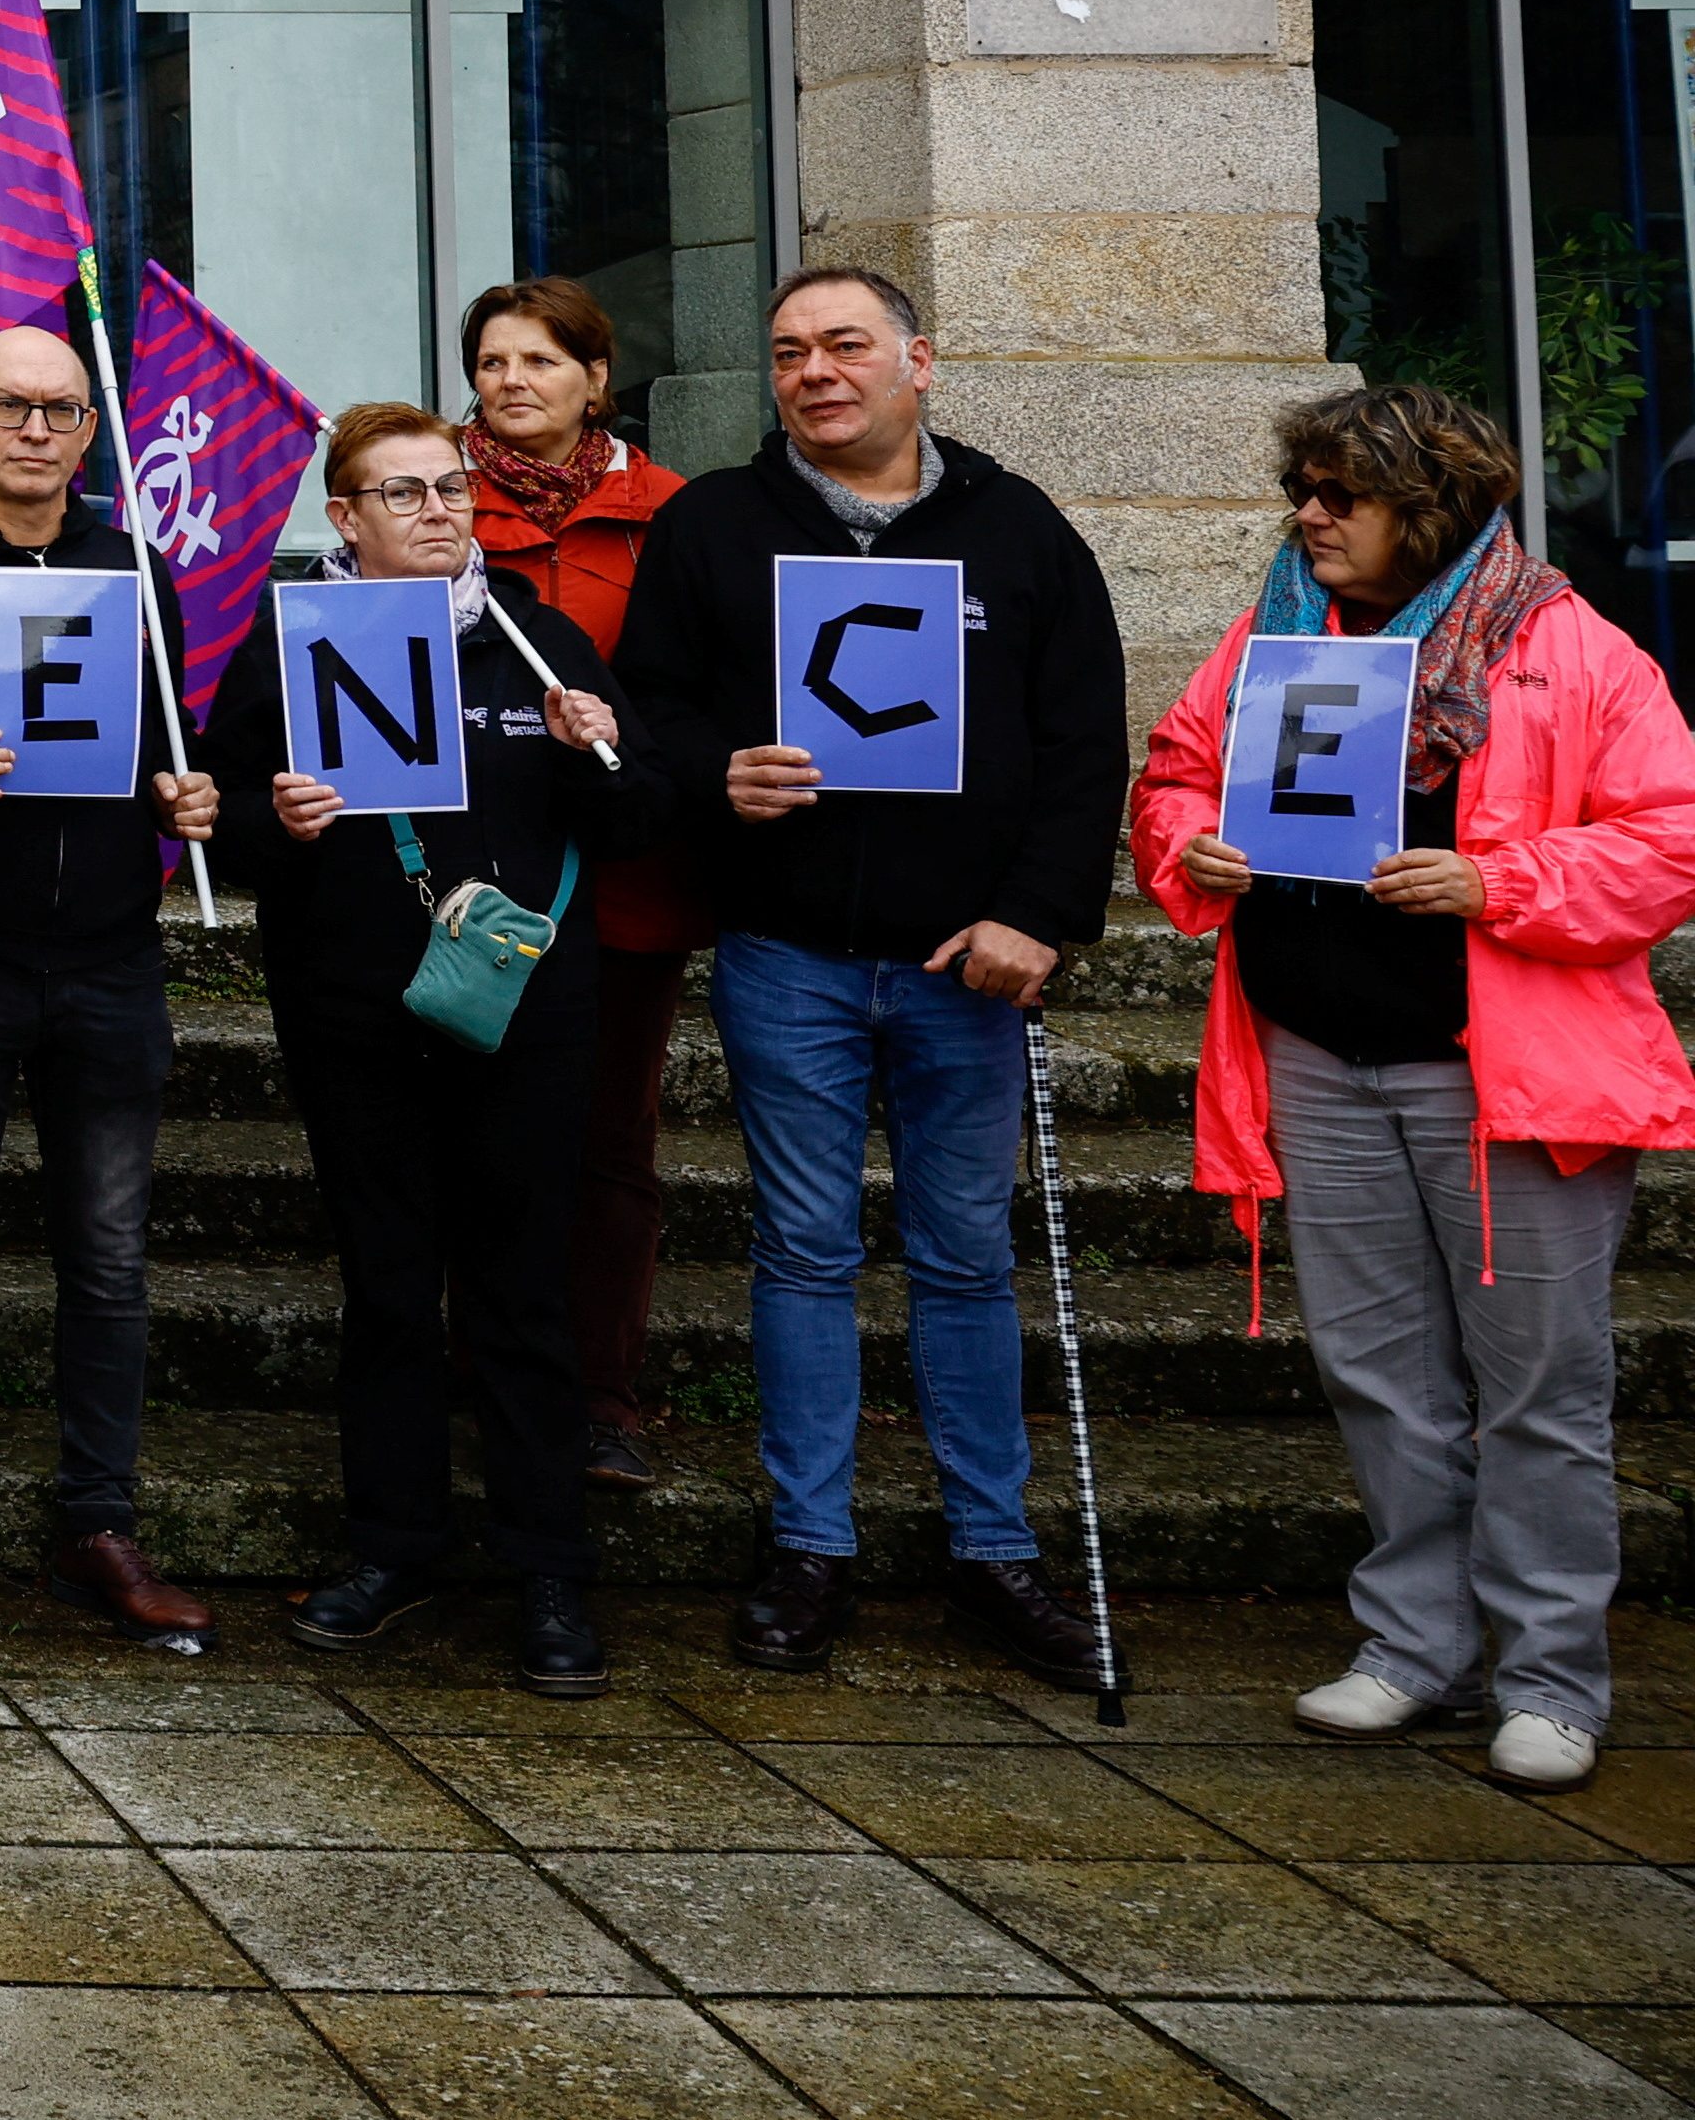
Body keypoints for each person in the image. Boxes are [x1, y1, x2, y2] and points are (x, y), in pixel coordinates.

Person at [1130, 385, 1695, 1791]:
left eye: (1341, 493)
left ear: (1426, 506)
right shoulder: (1274, 636)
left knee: (1538, 1391)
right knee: (1381, 1377)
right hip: (1317, 1058)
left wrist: (1500, 881)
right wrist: (1194, 844)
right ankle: (1413, 1648)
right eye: (1304, 490)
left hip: (1501, 1077)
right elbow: (1177, 774)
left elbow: (1670, 835)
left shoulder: (1571, 645)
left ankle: (1553, 1677)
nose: (1308, 515)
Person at [609, 266, 1125, 1695]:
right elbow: (647, 709)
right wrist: (716, 771)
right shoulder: (714, 524)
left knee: (965, 1253)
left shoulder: (1016, 529)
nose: (815, 371)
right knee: (803, 1251)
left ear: (920, 360)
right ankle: (810, 1542)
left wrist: (1041, 915)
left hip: (970, 958)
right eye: (787, 351)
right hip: (791, 956)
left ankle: (990, 1547)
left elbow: (1085, 740)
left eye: (845, 344)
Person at [200, 401, 654, 1699]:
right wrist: (271, 814)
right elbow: (211, 824)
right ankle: (393, 1544)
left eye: (448, 486)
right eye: (401, 492)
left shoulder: (537, 640)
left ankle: (549, 1560)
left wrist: (594, 752)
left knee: (521, 1283)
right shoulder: (290, 648)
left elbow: (635, 814)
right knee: (390, 1282)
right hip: (353, 1005)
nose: (438, 508)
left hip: (524, 1009)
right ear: (343, 517)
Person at [0, 320, 224, 1649]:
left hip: (114, 952)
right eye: (8, 405)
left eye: (61, 410)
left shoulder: (135, 568)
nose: (34, 429)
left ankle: (97, 1525)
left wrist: (187, 797)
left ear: (90, 431)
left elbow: (169, 734)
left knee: (112, 1263)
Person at [453, 276, 711, 1493]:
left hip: (621, 884)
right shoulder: (429, 511)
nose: (513, 382)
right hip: (473, 880)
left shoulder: (669, 518)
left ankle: (600, 1394)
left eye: (542, 362)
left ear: (597, 380)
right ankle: (476, 1372)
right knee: (469, 1136)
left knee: (609, 1147)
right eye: (494, 362)